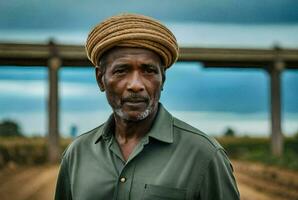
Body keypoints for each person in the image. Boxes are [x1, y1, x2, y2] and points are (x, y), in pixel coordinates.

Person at [55, 13, 240, 200]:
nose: (136, 84)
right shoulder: (77, 154)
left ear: (163, 79)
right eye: (121, 70)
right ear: (100, 79)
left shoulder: (204, 155)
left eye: (148, 71)